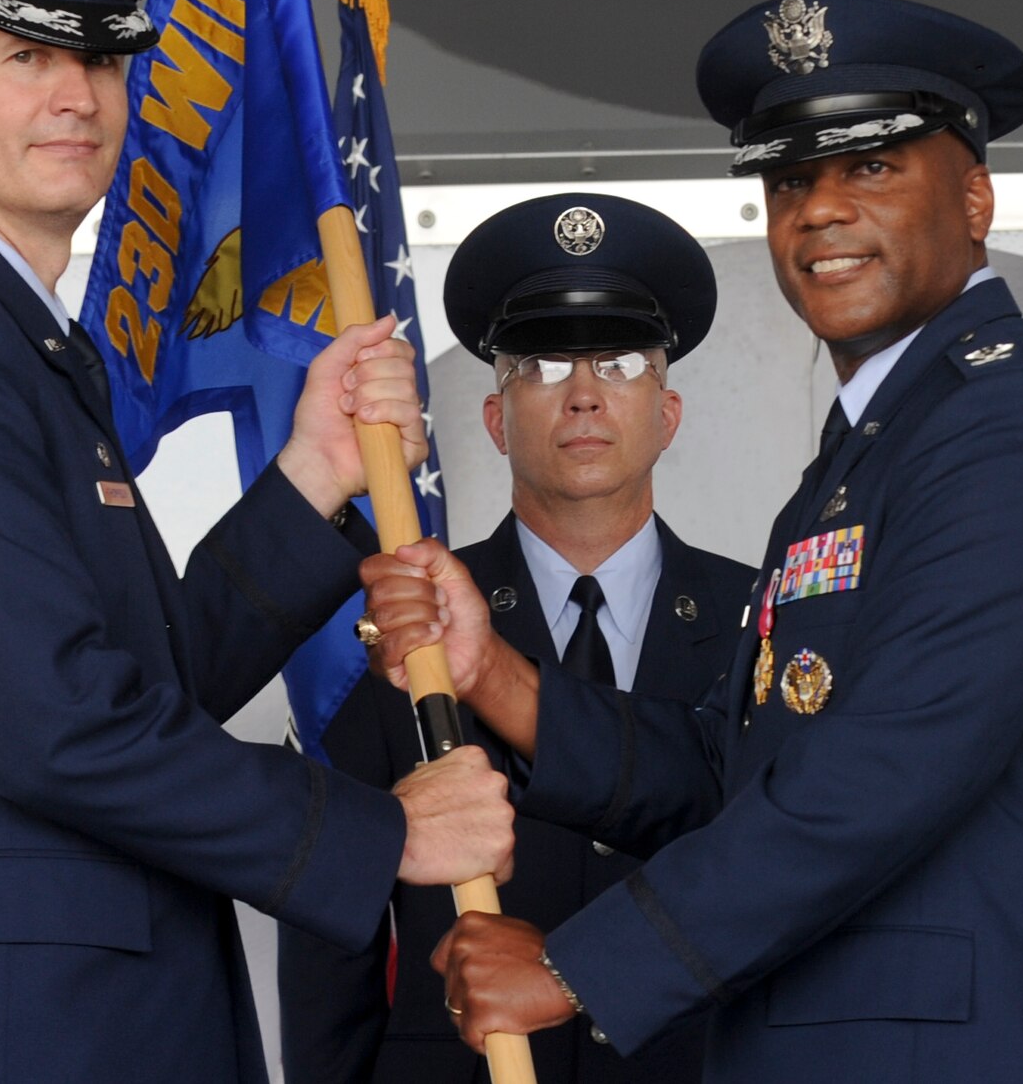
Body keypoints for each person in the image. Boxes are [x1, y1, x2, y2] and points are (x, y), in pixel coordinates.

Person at [0, 0, 513, 1084]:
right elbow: (58, 727)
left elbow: (141, 683)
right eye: (26, 57)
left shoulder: (9, 338)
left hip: (68, 1025)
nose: (78, 95)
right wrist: (380, 835)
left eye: (103, 59)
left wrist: (312, 471)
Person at [360, 0, 1023, 1081]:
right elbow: (742, 770)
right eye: (789, 181)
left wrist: (578, 967)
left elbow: (881, 775)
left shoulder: (1006, 431)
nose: (819, 211)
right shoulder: (878, 444)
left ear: (973, 199)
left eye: (870, 167)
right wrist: (489, 672)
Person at [278, 194, 756, 1084]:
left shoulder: (760, 620)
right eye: (540, 366)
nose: (583, 394)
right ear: (496, 419)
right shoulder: (402, 615)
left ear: (668, 413)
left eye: (620, 364)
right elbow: (333, 936)